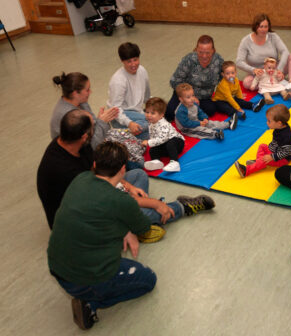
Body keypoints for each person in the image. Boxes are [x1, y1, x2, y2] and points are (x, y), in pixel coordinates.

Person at [38, 109, 214, 230]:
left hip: (96, 193)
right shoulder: (66, 171)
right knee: (141, 212)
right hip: (81, 219)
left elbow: (103, 178)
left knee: (138, 175)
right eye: (94, 127)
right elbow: (109, 196)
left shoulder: (72, 142)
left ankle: (134, 220)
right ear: (85, 136)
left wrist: (128, 187)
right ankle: (180, 208)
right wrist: (154, 203)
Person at [47, 141, 155, 330]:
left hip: (57, 267)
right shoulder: (123, 202)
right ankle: (91, 304)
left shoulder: (80, 179)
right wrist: (151, 208)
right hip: (86, 278)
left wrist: (125, 229)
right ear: (123, 169)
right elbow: (144, 226)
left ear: (95, 165)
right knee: (148, 280)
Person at [236, 13, 291, 102]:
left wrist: (279, 70)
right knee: (247, 83)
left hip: (275, 68)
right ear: (255, 27)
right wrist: (253, 70)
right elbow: (239, 61)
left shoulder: (273, 36)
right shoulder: (246, 41)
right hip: (259, 73)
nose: (263, 29)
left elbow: (285, 51)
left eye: (266, 27)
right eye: (261, 26)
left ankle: (290, 83)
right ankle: (274, 83)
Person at [50, 72, 118, 149]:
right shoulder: (70, 116)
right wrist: (102, 122)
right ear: (75, 93)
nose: (90, 92)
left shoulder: (80, 101)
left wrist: (100, 121)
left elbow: (93, 127)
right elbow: (91, 147)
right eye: (87, 90)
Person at [166, 35, 223, 120]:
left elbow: (223, 78)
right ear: (196, 50)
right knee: (170, 113)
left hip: (203, 97)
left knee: (211, 110)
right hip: (184, 94)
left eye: (207, 53)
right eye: (200, 52)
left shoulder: (218, 61)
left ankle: (190, 114)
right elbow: (174, 81)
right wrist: (190, 96)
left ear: (213, 51)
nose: (204, 56)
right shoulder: (188, 60)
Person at [234, 104, 291, 177]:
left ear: (279, 123)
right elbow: (275, 143)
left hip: (282, 159)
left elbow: (287, 152)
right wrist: (269, 152)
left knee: (264, 159)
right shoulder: (279, 128)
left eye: (269, 121)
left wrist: (272, 157)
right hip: (275, 152)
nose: (267, 123)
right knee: (262, 146)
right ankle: (259, 163)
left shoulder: (286, 136)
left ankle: (246, 171)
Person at [107, 42, 151, 140]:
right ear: (122, 61)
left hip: (138, 114)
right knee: (151, 123)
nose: (133, 64)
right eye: (129, 61)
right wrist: (130, 123)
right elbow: (115, 110)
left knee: (156, 119)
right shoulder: (118, 80)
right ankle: (122, 133)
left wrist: (155, 109)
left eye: (135, 60)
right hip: (120, 116)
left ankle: (128, 135)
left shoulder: (142, 71)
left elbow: (147, 96)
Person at [142, 97, 185, 172]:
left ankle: (175, 163)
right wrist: (151, 143)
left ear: (161, 115)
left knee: (170, 143)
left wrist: (149, 142)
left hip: (177, 144)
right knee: (152, 149)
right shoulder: (151, 123)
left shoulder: (163, 124)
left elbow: (163, 138)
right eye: (147, 112)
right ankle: (156, 161)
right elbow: (154, 137)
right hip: (165, 145)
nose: (149, 115)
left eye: (152, 113)